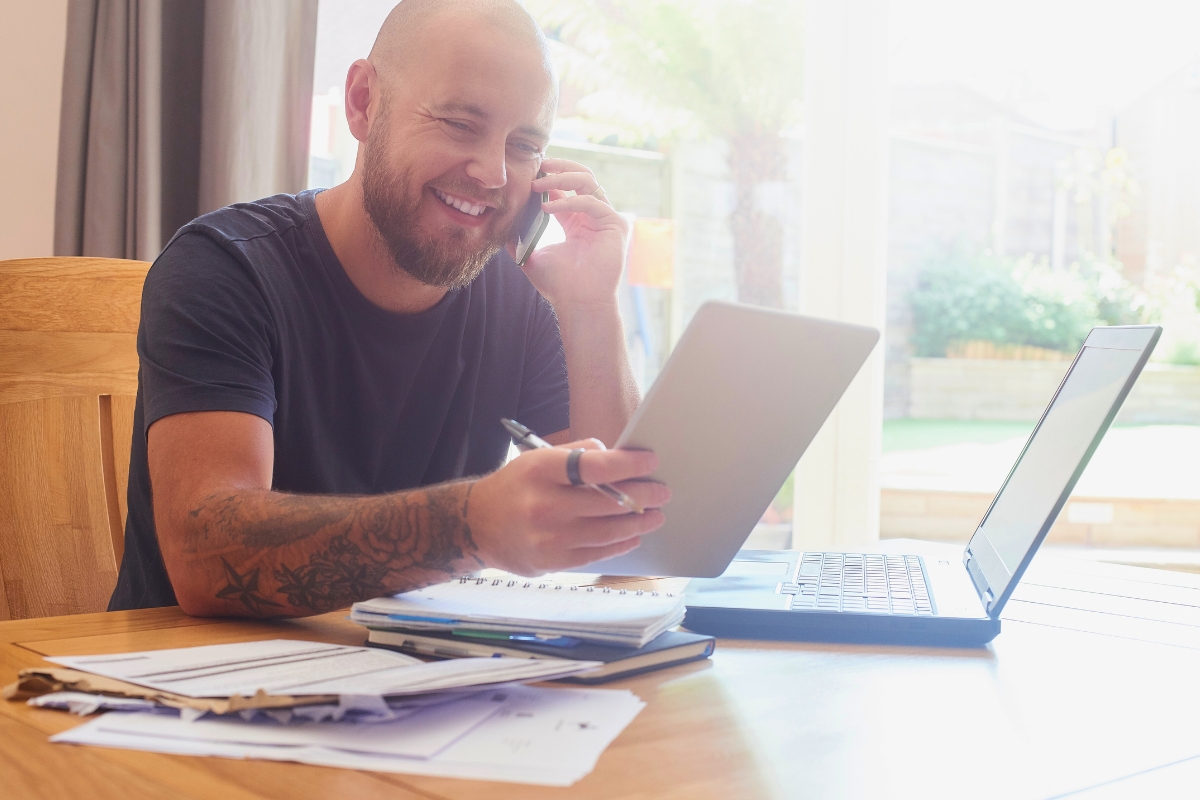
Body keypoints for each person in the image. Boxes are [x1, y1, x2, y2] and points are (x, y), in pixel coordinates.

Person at [107, 0, 669, 617]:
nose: (491, 173)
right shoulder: (225, 269)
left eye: (523, 145)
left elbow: (632, 537)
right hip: (185, 688)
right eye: (459, 122)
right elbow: (207, 560)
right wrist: (471, 526)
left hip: (412, 680)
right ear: (363, 102)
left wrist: (590, 306)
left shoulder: (519, 297)